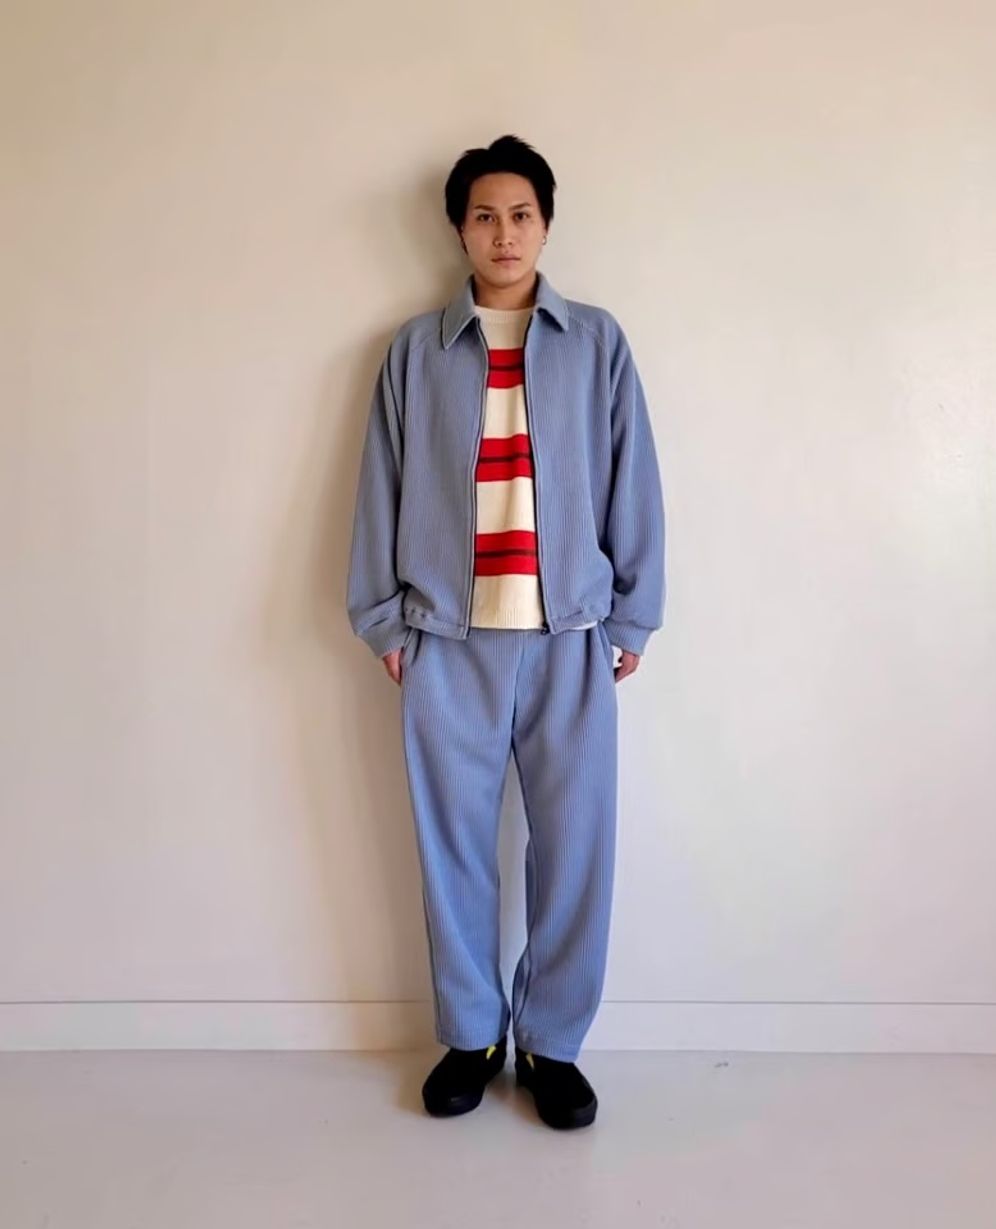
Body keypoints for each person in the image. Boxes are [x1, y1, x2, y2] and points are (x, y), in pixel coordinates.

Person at [346, 134, 666, 1130]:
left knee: (574, 847)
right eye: (484, 215)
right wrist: (382, 617)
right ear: (458, 229)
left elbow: (633, 477)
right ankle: (472, 1034)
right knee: (453, 848)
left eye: (520, 214)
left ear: (545, 224)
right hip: (446, 639)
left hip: (570, 637)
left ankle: (552, 1043)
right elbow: (381, 484)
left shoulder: (596, 342)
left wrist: (633, 611)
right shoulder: (415, 352)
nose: (503, 233)